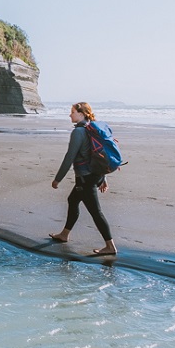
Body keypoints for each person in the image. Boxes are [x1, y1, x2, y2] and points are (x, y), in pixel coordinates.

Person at [49, 101, 116, 256]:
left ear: (81, 113)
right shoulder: (91, 128)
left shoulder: (79, 132)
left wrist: (58, 179)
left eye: (72, 112)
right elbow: (98, 154)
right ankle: (64, 234)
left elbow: (69, 156)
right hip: (95, 174)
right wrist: (103, 178)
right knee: (72, 200)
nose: (70, 114)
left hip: (86, 178)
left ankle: (110, 246)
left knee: (95, 212)